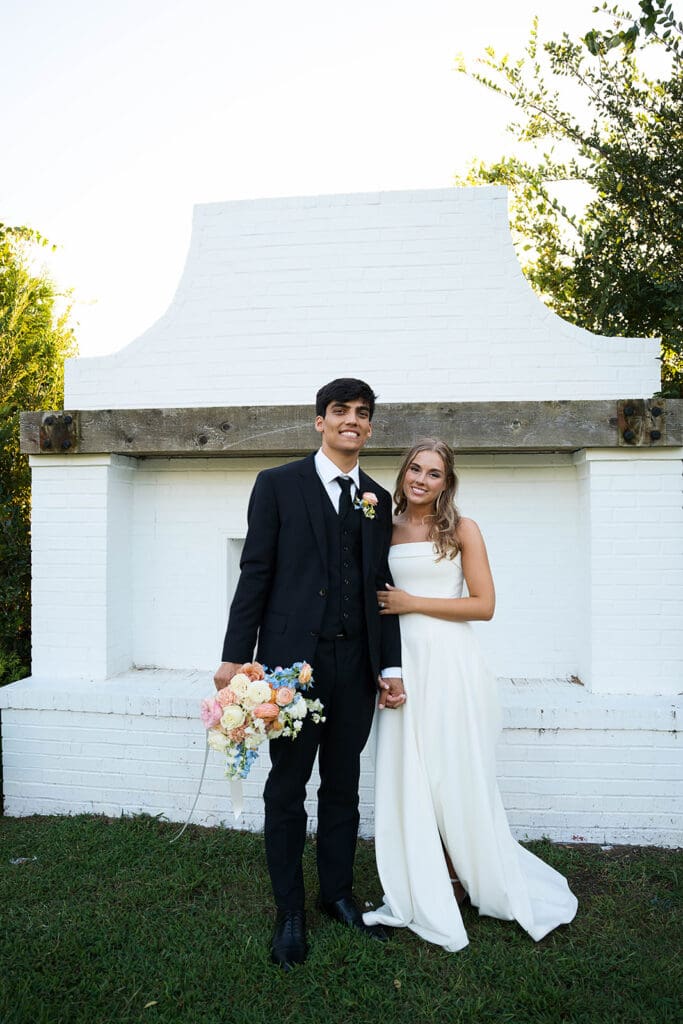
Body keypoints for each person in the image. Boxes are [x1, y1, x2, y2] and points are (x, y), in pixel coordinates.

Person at [214, 378, 405, 970]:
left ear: (370, 427)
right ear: (319, 421)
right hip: (290, 667)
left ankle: (338, 894)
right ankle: (289, 911)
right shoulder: (277, 485)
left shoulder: (377, 497)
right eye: (341, 411)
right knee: (287, 787)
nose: (353, 420)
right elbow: (255, 573)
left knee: (343, 783)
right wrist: (232, 656)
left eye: (363, 414)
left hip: (355, 666)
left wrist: (388, 667)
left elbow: (380, 589)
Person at [363, 438, 578, 950]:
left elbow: (484, 606)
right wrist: (379, 669)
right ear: (403, 473)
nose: (421, 479)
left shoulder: (462, 530)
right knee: (410, 773)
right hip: (402, 664)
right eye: (415, 468)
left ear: (446, 483)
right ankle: (429, 879)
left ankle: (466, 875)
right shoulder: (381, 530)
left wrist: (413, 600)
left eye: (433, 474)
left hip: (451, 663)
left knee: (453, 769)